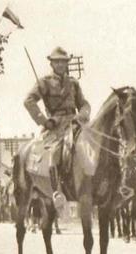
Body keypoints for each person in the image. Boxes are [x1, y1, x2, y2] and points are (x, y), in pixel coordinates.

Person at [24, 47, 90, 210]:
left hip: (75, 122)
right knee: (54, 152)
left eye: (63, 61)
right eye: (57, 61)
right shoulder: (44, 82)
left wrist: (81, 115)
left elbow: (84, 104)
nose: (61, 64)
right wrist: (44, 121)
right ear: (52, 64)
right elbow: (29, 101)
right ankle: (56, 192)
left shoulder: (73, 83)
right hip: (55, 125)